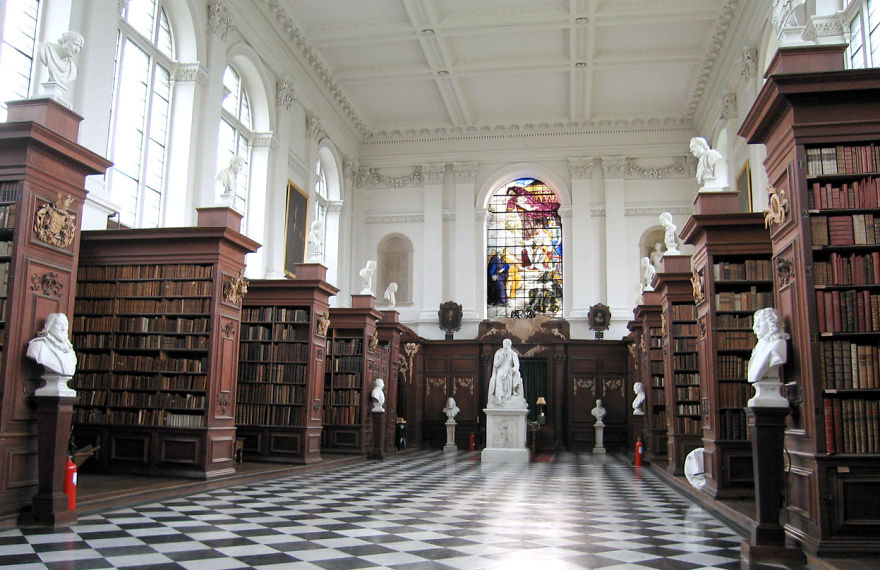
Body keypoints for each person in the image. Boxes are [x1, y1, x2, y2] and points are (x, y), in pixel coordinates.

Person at [747, 308, 790, 385]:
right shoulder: (759, 345)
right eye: (755, 322)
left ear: (771, 323)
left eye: (760, 321)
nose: (756, 326)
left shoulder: (778, 344)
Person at [487, 338, 525, 407]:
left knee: (511, 376)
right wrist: (501, 359)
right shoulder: (498, 353)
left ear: (510, 345)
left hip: (509, 371)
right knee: (499, 378)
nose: (506, 346)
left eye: (507, 344)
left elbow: (517, 365)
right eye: (504, 344)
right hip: (500, 371)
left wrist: (513, 369)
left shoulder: (513, 354)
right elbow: (495, 365)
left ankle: (508, 396)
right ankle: (499, 398)